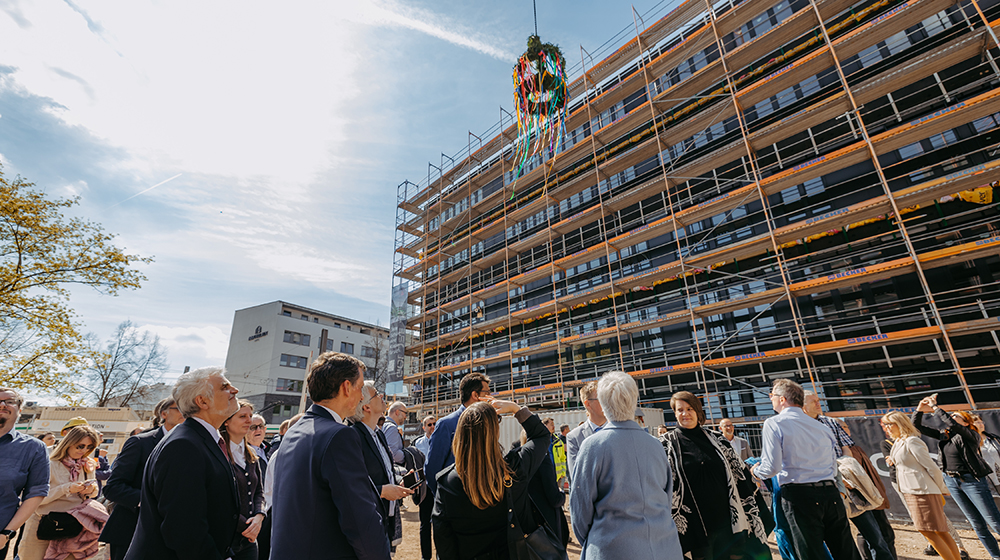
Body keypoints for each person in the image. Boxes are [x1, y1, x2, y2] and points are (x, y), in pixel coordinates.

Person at [269, 352, 390, 560]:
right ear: (346, 387)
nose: (362, 397)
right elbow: (359, 519)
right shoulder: (339, 435)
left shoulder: (294, 431)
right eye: (360, 387)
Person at [124, 366, 242, 560]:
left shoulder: (198, 440)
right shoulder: (184, 446)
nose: (234, 390)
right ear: (202, 401)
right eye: (224, 387)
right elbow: (184, 528)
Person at [570, 371, 684, 560]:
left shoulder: (592, 445)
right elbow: (666, 496)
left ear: (603, 404)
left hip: (611, 548)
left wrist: (595, 541)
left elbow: (580, 510)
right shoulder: (656, 444)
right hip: (665, 546)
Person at [751, 379, 860, 560]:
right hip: (830, 493)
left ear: (782, 399)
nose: (771, 399)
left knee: (810, 554)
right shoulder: (822, 427)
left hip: (799, 496)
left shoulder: (774, 423)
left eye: (772, 396)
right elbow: (833, 466)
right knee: (846, 552)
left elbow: (772, 467)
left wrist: (755, 472)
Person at [432, 399, 553, 559]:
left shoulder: (447, 482)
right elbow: (541, 435)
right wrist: (516, 409)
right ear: (495, 432)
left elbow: (443, 541)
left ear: (460, 433)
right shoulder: (514, 467)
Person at [662, 391, 771, 560]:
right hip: (695, 528)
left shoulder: (718, 439)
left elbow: (739, 475)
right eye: (680, 410)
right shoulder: (665, 444)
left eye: (689, 409)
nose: (685, 413)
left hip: (726, 522)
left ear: (698, 411)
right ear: (675, 413)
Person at [801, 397, 893, 560]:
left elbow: (846, 447)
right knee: (841, 539)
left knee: (874, 535)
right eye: (813, 401)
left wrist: (845, 472)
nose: (818, 403)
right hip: (825, 489)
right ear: (803, 406)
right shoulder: (799, 427)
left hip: (849, 486)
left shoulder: (830, 422)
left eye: (818, 400)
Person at [913, 395, 1000, 559]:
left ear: (966, 423)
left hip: (972, 481)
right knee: (977, 524)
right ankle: (996, 556)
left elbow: (952, 423)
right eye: (951, 415)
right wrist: (919, 408)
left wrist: (935, 407)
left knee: (994, 521)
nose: (952, 417)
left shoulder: (971, 434)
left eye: (956, 416)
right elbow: (916, 427)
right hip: (952, 481)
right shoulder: (944, 435)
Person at [101, 397, 183, 560]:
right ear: (164, 414)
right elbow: (113, 487)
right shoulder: (140, 442)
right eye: (180, 408)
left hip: (170, 536)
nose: (186, 413)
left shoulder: (190, 446)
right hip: (131, 531)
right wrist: (149, 501)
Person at [879, 421, 969, 559]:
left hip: (922, 489)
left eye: (890, 423)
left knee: (935, 528)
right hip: (908, 489)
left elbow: (931, 467)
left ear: (900, 424)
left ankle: (958, 549)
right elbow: (891, 462)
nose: (887, 427)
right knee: (932, 529)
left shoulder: (912, 441)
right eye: (885, 424)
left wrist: (941, 488)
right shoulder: (895, 442)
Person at [20, 425, 107, 560]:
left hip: (72, 525)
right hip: (43, 522)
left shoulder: (87, 464)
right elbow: (34, 499)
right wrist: (66, 488)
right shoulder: (49, 464)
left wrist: (91, 490)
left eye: (89, 447)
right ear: (69, 443)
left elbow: (93, 491)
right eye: (80, 446)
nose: (84, 450)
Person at [350, 381, 413, 549]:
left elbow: (385, 470)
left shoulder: (378, 434)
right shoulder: (353, 437)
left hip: (385, 518)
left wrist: (398, 480)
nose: (382, 396)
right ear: (366, 407)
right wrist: (383, 491)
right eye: (376, 394)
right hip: (368, 523)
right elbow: (352, 487)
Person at [835, 418, 897, 560]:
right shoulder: (837, 452)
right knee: (869, 534)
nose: (845, 430)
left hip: (872, 494)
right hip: (858, 496)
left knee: (883, 533)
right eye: (841, 427)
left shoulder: (855, 448)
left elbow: (870, 473)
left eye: (845, 427)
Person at [0, 387, 49, 559]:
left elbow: (36, 493)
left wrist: (7, 533)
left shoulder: (34, 448)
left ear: (20, 410)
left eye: (9, 401)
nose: (2, 404)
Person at [425, 372, 491, 496]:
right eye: (487, 392)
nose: (491, 397)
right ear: (475, 395)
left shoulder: (486, 422)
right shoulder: (446, 424)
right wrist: (443, 498)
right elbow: (433, 468)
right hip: (454, 498)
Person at [220, 400, 266, 560]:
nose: (249, 420)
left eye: (250, 416)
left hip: (249, 541)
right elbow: (219, 499)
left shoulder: (251, 453)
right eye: (242, 416)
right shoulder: (218, 454)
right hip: (226, 539)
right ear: (226, 421)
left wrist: (259, 516)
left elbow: (259, 491)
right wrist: (247, 526)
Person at [565, 380, 607, 475]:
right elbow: (576, 475)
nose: (607, 403)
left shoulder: (619, 431)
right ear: (588, 404)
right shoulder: (574, 437)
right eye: (601, 399)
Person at [411, 415, 435, 560]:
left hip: (439, 488)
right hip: (425, 489)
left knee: (440, 524)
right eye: (429, 424)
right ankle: (425, 557)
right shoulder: (417, 443)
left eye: (434, 424)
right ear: (424, 427)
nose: (432, 427)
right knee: (425, 524)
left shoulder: (442, 440)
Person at [973, 415, 1000, 489]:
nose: (981, 424)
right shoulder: (971, 441)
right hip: (987, 480)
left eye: (982, 422)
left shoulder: (993, 438)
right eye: (978, 422)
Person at [543, 417, 569, 486]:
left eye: (553, 424)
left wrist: (563, 472)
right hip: (545, 476)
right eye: (551, 424)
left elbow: (562, 457)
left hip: (557, 477)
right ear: (545, 426)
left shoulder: (558, 441)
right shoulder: (541, 441)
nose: (554, 426)